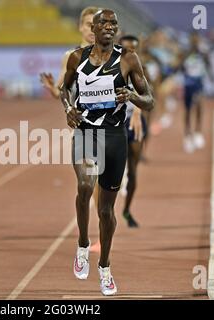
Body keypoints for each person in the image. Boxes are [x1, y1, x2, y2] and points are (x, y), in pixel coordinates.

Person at [60, 9, 154, 295]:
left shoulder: (127, 59)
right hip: (86, 132)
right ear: (94, 27)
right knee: (85, 186)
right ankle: (82, 245)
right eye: (105, 23)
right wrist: (68, 110)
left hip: (114, 137)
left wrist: (132, 97)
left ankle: (104, 266)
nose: (111, 27)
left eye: (115, 23)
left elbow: (149, 101)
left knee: (106, 210)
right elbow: (65, 90)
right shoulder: (78, 58)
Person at [118, 35, 150, 228]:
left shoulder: (141, 70)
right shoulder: (111, 69)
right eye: (127, 49)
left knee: (134, 171)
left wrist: (138, 111)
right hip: (116, 123)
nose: (131, 52)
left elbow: (147, 94)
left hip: (134, 123)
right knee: (115, 167)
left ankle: (127, 210)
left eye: (134, 49)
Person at [40, 6, 98, 98]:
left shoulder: (109, 55)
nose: (92, 29)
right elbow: (59, 92)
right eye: (89, 24)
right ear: (80, 26)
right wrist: (52, 88)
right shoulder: (71, 56)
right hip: (80, 112)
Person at [179, 32, 214, 153]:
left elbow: (208, 65)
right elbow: (180, 67)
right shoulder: (186, 53)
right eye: (193, 40)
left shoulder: (202, 53)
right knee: (188, 110)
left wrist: (212, 76)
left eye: (196, 40)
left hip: (199, 82)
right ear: (190, 40)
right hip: (188, 83)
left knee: (199, 105)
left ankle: (198, 132)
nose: (195, 42)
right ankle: (188, 134)